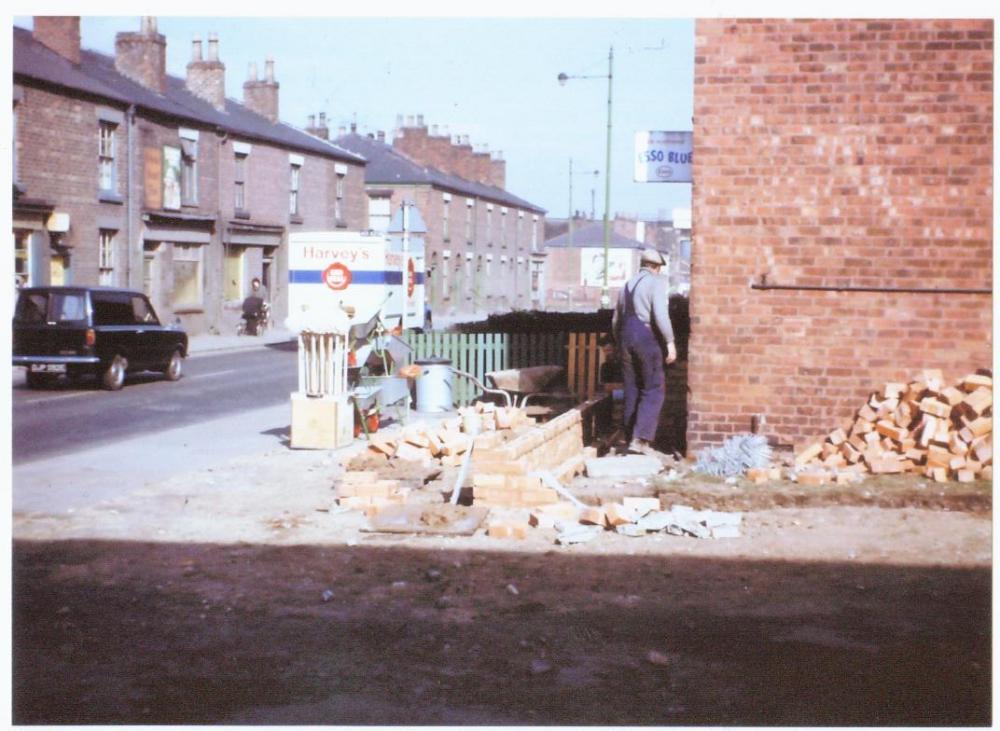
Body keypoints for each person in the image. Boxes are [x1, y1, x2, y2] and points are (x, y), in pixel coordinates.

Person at [612, 248, 677, 455]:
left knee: (632, 389)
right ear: (655, 267)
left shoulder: (626, 286)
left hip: (625, 338)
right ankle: (640, 440)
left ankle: (629, 435)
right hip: (644, 336)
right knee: (654, 387)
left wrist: (619, 343)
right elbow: (660, 314)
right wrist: (670, 341)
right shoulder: (655, 283)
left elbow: (615, 321)